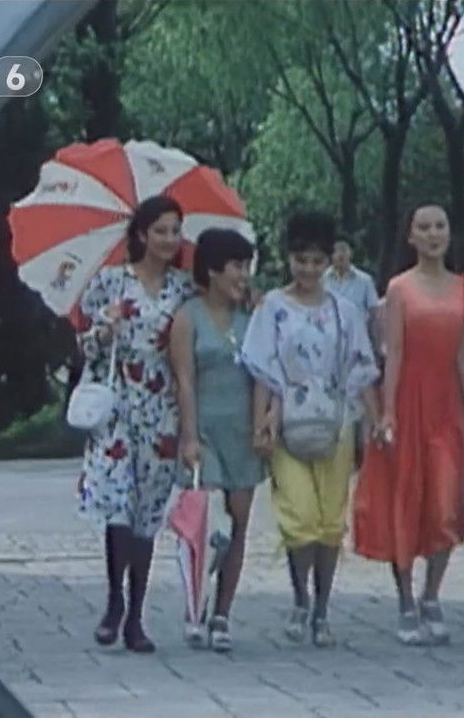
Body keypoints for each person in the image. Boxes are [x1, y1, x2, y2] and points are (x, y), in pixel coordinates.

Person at [240, 211, 381, 648]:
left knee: (330, 520)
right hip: (287, 419)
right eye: (301, 260)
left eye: (317, 261)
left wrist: (375, 421)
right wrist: (260, 422)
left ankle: (322, 606)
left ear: (329, 260)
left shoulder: (344, 311)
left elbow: (361, 369)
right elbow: (262, 368)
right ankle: (300, 595)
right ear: (289, 259)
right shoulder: (272, 308)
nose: (308, 269)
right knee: (299, 516)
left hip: (335, 419)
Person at [353, 203, 464, 646]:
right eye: (423, 227)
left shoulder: (462, 287)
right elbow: (394, 354)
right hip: (408, 400)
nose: (432, 234)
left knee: (446, 504)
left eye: (440, 226)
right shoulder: (399, 288)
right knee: (405, 500)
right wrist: (387, 412)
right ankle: (406, 598)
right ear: (410, 237)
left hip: (447, 404)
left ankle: (432, 593)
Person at [76, 195, 196, 654]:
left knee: (147, 512)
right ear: (141, 234)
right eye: (160, 230)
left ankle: (137, 616)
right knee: (118, 503)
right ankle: (114, 600)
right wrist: (103, 331)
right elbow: (85, 346)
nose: (169, 239)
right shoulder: (110, 282)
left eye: (175, 231)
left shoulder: (184, 290)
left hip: (161, 407)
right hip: (118, 404)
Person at [167, 228, 263, 652]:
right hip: (204, 430)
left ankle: (222, 613)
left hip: (243, 432)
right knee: (206, 526)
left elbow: (265, 375)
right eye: (236, 266)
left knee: (238, 523)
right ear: (212, 270)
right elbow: (184, 381)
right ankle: (196, 604)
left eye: (247, 266)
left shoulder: (252, 317)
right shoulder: (188, 318)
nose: (243, 275)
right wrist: (189, 437)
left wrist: (264, 423)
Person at [323, 235, 383, 465]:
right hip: (330, 352)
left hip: (359, 349)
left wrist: (376, 347)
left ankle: (365, 455)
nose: (339, 255)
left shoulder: (364, 281)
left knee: (364, 402)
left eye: (344, 250)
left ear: (350, 253)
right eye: (335, 250)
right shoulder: (322, 280)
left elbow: (374, 315)